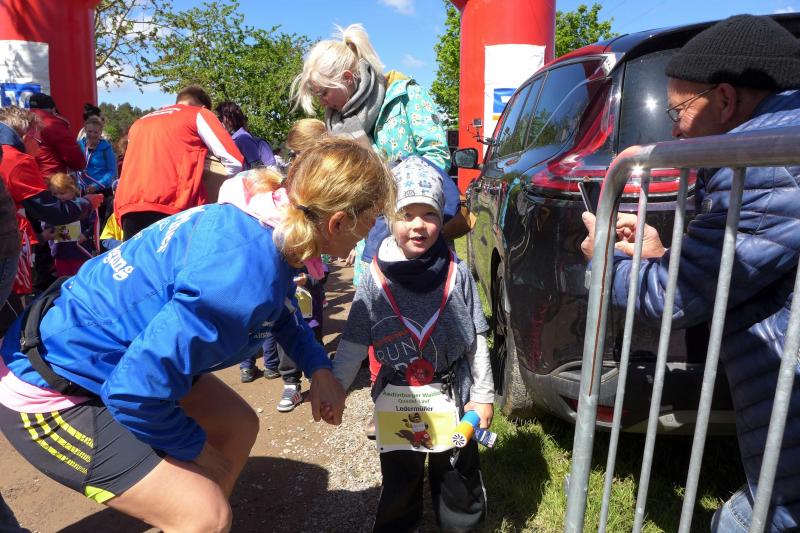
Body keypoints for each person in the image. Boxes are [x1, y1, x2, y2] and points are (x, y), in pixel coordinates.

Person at [0, 137, 394, 532]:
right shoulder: (238, 277)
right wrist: (198, 450)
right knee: (205, 515)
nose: (370, 232)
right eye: (371, 220)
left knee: (238, 426)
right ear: (337, 222)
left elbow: (281, 306)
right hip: (49, 385)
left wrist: (318, 368)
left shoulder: (268, 220)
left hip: (111, 355)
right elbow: (132, 393)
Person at [581, 15, 800, 533]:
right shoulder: (773, 146)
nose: (673, 129)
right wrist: (660, 255)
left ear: (724, 99)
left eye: (678, 110)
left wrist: (605, 262)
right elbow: (741, 265)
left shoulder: (764, 165)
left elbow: (675, 298)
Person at [331, 157, 493, 532]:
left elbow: (477, 340)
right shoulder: (375, 278)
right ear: (389, 219)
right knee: (400, 480)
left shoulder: (457, 273)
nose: (418, 225)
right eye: (406, 214)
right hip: (397, 398)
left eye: (429, 214)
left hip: (454, 395)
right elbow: (354, 340)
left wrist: (483, 395)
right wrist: (337, 387)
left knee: (456, 476)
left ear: (442, 217)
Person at [113, 85, 243, 239]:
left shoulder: (139, 123)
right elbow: (234, 161)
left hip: (128, 209)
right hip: (175, 208)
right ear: (203, 106)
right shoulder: (199, 114)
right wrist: (216, 193)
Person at [0, 107, 102, 297]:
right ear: (27, 137)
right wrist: (87, 203)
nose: (40, 150)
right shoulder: (17, 160)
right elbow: (53, 211)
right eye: (39, 142)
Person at [45, 172, 95, 277]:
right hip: (60, 253)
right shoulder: (53, 209)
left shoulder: (82, 205)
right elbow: (46, 225)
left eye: (62, 193)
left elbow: (93, 222)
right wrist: (50, 232)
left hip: (80, 252)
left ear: (72, 190)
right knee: (64, 279)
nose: (59, 197)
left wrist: (85, 234)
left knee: (81, 277)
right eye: (54, 194)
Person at [27, 93, 86, 178]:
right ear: (53, 109)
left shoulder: (21, 123)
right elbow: (75, 158)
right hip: (52, 179)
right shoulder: (54, 124)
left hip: (28, 177)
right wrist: (81, 165)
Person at [215, 101, 276, 170]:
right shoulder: (236, 139)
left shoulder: (243, 139)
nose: (219, 121)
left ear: (229, 119)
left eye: (220, 118)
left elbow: (257, 169)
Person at [78, 115, 117, 192]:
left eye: (96, 132)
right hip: (83, 189)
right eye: (89, 131)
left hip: (102, 190)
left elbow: (112, 171)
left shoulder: (106, 148)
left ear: (100, 133)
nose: (92, 135)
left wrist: (97, 185)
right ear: (85, 130)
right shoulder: (79, 145)